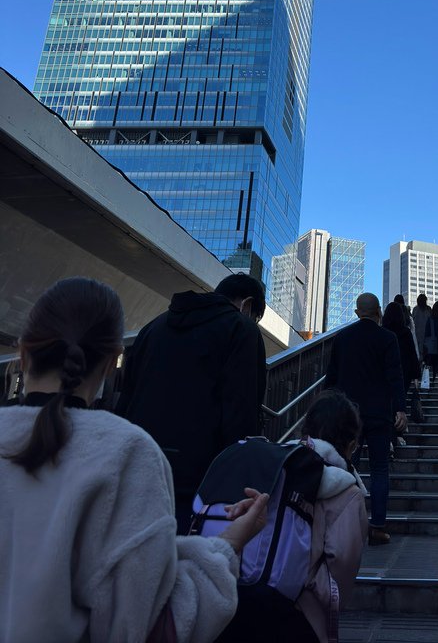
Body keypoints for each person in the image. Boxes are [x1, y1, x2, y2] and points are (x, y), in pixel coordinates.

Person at [0, 277, 270, 643]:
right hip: (197, 484)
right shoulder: (127, 455)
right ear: (113, 360)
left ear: (24, 352)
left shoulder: (155, 329)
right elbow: (150, 621)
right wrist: (229, 545)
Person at [117, 272, 267, 532]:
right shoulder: (241, 329)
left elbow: (126, 395)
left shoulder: (154, 327)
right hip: (200, 482)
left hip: (139, 468)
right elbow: (240, 411)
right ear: (248, 304)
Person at [219, 390, 368, 643]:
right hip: (299, 615)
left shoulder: (274, 464)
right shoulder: (347, 491)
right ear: (351, 444)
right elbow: (342, 561)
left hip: (239, 597)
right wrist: (305, 585)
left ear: (305, 428)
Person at [324, 293, 406, 546]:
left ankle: (345, 528)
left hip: (349, 415)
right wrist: (400, 409)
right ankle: (378, 527)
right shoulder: (388, 338)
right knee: (380, 469)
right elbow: (395, 376)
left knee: (348, 469)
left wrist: (327, 408)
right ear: (379, 311)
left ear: (358, 312)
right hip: (380, 414)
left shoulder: (343, 338)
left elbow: (332, 377)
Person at [382, 301, 421, 440]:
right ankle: (396, 432)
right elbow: (412, 353)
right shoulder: (405, 332)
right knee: (399, 399)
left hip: (385, 372)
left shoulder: (382, 331)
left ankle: (389, 435)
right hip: (404, 372)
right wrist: (417, 373)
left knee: (386, 402)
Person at [411, 292, 432, 364]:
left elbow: (413, 322)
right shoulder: (429, 309)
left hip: (417, 333)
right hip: (427, 334)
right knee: (426, 351)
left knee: (418, 352)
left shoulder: (415, 309)